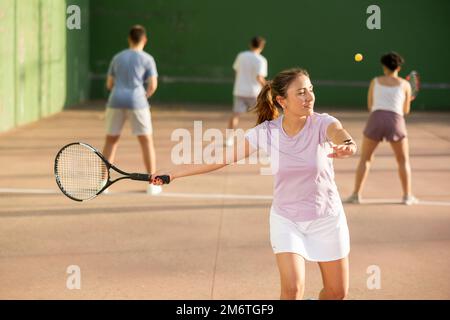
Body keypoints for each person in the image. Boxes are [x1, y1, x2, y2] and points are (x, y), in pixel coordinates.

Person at [152, 68, 357, 300]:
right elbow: (219, 159)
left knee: (337, 293)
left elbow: (340, 133)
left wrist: (349, 145)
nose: (309, 97)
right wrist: (174, 172)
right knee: (292, 290)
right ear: (282, 100)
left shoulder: (323, 123)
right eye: (301, 92)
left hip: (326, 218)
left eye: (310, 90)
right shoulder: (266, 133)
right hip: (287, 219)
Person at [346, 52, 417, 205]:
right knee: (403, 160)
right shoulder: (405, 85)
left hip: (375, 119)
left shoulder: (375, 81)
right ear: (398, 67)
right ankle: (407, 196)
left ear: (384, 67)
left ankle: (355, 195)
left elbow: (370, 105)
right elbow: (406, 111)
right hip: (395, 121)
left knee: (365, 159)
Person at [102, 25, 162, 195]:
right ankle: (153, 184)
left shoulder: (117, 57)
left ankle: (102, 183)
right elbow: (153, 85)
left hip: (115, 101)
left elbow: (109, 84)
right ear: (144, 40)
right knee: (146, 141)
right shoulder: (148, 59)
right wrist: (143, 95)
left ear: (129, 39)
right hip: (138, 102)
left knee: (111, 141)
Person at [226, 36, 268, 146]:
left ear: (250, 44)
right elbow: (259, 78)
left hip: (239, 90)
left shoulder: (241, 56)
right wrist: (269, 87)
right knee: (261, 116)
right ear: (262, 46)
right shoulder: (261, 60)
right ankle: (262, 140)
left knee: (235, 115)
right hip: (254, 93)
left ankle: (229, 139)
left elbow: (236, 71)